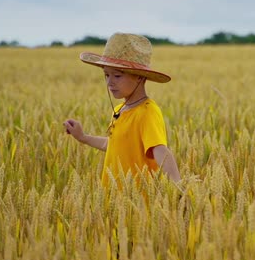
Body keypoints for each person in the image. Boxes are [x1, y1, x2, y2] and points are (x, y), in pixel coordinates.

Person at [63, 33, 181, 185]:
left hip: (138, 202)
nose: (109, 83)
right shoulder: (120, 110)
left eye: (117, 76)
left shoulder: (147, 112)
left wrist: (178, 186)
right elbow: (114, 145)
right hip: (114, 200)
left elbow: (160, 150)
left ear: (139, 77)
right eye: (106, 75)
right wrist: (83, 137)